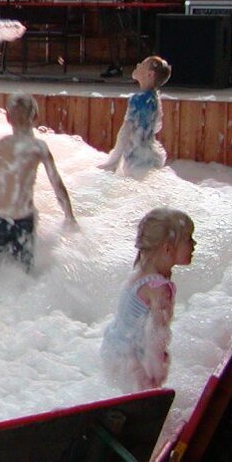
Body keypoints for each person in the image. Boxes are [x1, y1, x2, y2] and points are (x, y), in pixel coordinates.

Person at [0, 94, 77, 271]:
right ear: (35, 118)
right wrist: (70, 217)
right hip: (21, 219)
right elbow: (57, 185)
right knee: (22, 271)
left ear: (8, 118)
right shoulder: (38, 147)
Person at [101, 208, 195, 391]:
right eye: (189, 239)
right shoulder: (159, 288)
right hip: (133, 362)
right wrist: (156, 372)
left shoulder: (140, 271)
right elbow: (158, 335)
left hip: (114, 349)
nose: (194, 244)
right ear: (168, 249)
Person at [100, 56, 171, 176]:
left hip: (136, 158)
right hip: (150, 154)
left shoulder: (138, 100)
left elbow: (125, 132)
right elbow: (156, 126)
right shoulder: (154, 98)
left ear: (150, 74)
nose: (138, 65)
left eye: (142, 64)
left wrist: (113, 161)